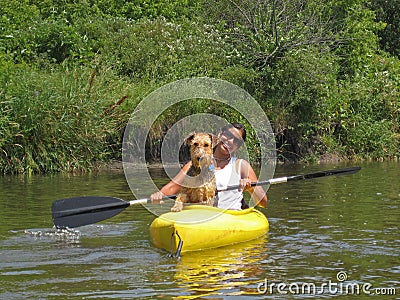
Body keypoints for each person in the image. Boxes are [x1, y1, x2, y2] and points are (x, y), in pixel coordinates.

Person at [150, 123, 267, 209]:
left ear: (238, 146)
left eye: (236, 140)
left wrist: (251, 187)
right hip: (203, 215)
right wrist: (159, 195)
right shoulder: (193, 166)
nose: (230, 141)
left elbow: (263, 202)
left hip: (230, 217)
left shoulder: (241, 165)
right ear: (220, 135)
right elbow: (172, 188)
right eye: (228, 135)